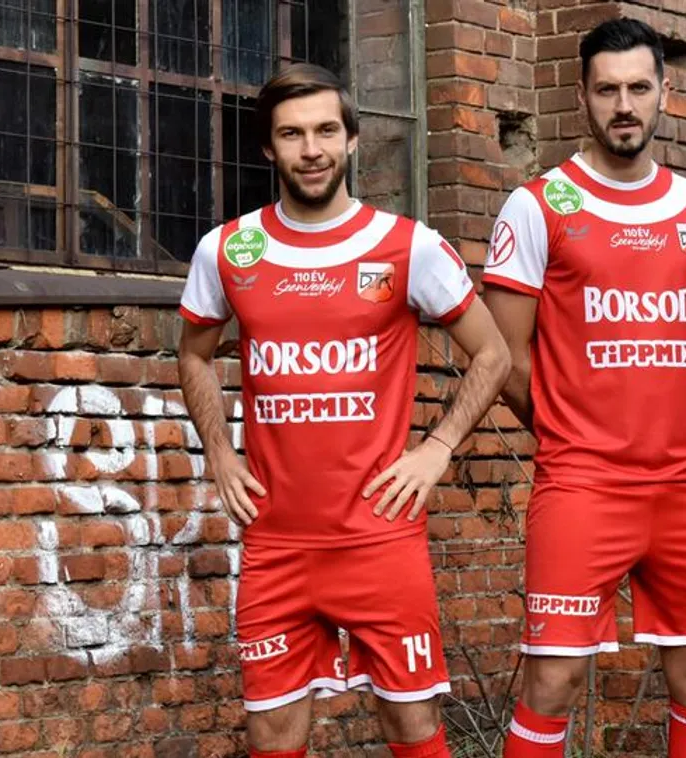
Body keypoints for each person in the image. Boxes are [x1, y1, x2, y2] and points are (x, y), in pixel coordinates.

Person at [177, 63, 510, 758]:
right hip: (276, 544)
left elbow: (493, 354)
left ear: (352, 139)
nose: (312, 150)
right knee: (272, 733)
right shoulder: (228, 249)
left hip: (380, 540)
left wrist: (437, 448)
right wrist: (220, 453)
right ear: (268, 148)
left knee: (411, 724)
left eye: (326, 131)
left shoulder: (408, 245)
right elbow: (195, 355)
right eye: (292, 135)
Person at [481, 18, 686, 758]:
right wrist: (570, 430)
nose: (624, 106)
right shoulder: (539, 205)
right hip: (582, 484)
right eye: (607, 90)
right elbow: (506, 356)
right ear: (582, 96)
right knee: (553, 680)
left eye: (638, 88)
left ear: (665, 91)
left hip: (683, 484)